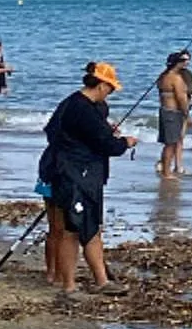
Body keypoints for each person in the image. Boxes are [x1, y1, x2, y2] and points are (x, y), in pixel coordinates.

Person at [41, 61, 134, 294]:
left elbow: (52, 131)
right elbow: (108, 145)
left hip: (65, 171)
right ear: (101, 85)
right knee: (79, 229)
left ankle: (83, 281)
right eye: (110, 89)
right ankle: (83, 283)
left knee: (79, 228)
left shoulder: (73, 103)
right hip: (78, 175)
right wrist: (125, 142)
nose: (110, 94)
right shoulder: (83, 109)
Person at [157, 50, 192, 178]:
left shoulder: (163, 77)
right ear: (177, 63)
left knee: (168, 144)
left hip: (164, 111)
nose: (185, 63)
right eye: (182, 61)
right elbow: (181, 99)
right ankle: (167, 172)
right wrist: (187, 115)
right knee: (172, 144)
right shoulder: (176, 78)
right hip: (173, 113)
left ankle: (165, 169)